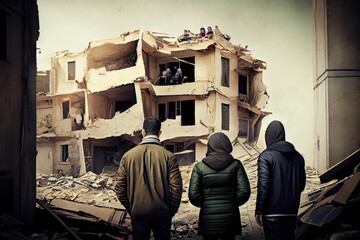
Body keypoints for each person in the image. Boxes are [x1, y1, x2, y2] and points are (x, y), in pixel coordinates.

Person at [114, 117, 183, 240]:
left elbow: (119, 188)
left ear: (143, 132)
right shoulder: (169, 156)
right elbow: (176, 188)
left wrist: (132, 208)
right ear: (159, 133)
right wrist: (170, 211)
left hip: (139, 213)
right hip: (162, 213)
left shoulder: (128, 156)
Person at [189, 132, 251, 240]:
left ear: (209, 147)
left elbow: (193, 195)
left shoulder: (199, 167)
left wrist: (206, 204)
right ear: (227, 145)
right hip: (230, 220)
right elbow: (244, 192)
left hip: (208, 221)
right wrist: (232, 203)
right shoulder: (236, 165)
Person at [255, 120, 306, 240]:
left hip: (272, 213)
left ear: (269, 136)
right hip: (291, 212)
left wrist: (259, 210)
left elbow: (263, 186)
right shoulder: (298, 157)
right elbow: (301, 185)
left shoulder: (266, 156)